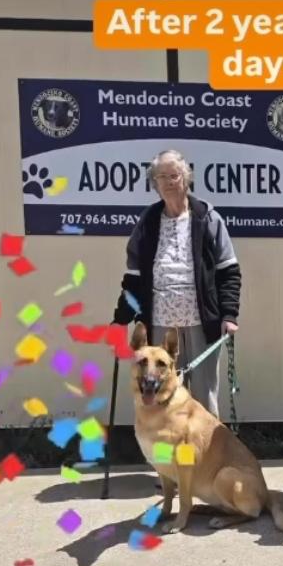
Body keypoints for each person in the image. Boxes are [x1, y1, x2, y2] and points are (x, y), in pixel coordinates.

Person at [112, 149, 241, 417]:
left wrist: (229, 315)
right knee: (161, 396)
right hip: (160, 323)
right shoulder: (147, 223)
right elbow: (134, 279)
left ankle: (205, 444)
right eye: (162, 177)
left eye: (175, 175)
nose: (169, 182)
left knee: (203, 398)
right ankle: (166, 445)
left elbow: (228, 271)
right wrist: (120, 319)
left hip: (201, 322)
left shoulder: (207, 218)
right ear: (154, 183)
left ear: (186, 178)